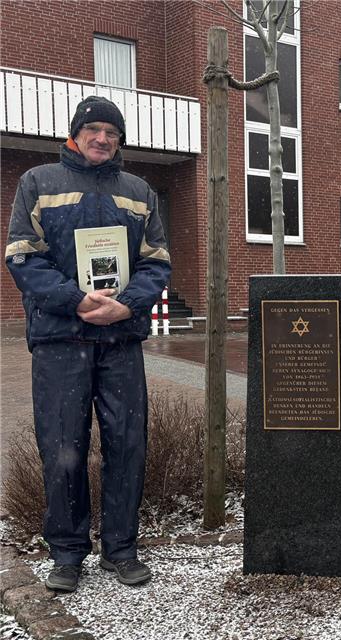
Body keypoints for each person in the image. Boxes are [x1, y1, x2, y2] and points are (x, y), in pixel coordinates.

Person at [5, 96, 171, 592]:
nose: (103, 139)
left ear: (120, 140)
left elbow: (157, 262)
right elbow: (21, 256)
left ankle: (121, 549)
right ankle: (67, 553)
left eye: (112, 132)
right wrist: (75, 300)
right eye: (94, 130)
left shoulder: (140, 192)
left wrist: (130, 305)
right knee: (61, 448)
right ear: (75, 134)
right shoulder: (37, 183)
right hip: (60, 340)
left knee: (128, 446)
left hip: (120, 341)